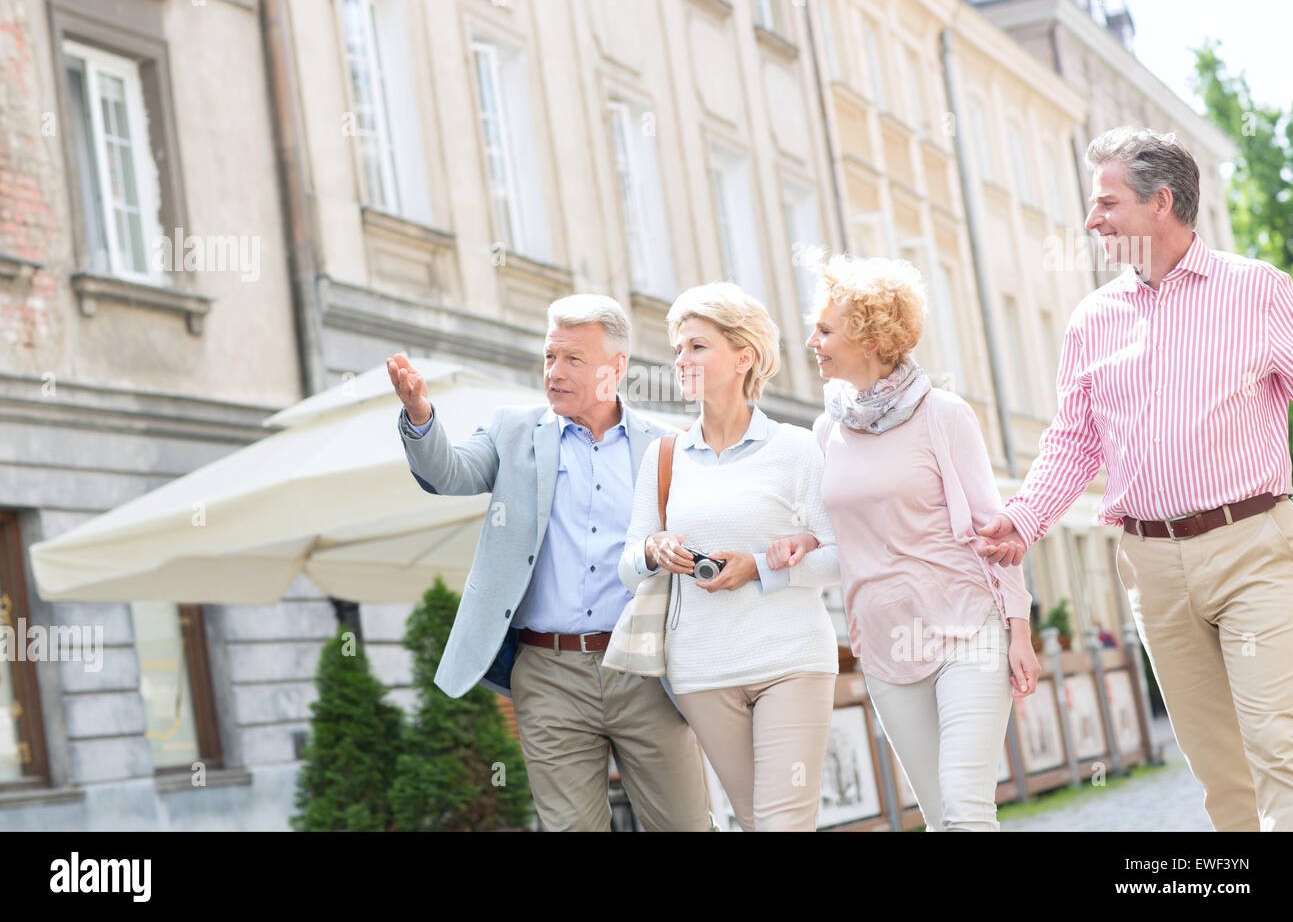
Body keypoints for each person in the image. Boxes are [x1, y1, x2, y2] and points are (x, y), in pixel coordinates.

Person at [977, 126, 1293, 831]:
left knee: (1280, 743)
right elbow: (1074, 438)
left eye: (1106, 203)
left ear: (1160, 203)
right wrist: (1024, 517)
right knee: (1218, 765)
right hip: (1150, 563)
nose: (1092, 220)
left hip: (1253, 546)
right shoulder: (1093, 319)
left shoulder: (1258, 290)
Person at [387, 294, 711, 832]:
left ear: (617, 368)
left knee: (686, 825)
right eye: (549, 357)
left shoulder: (669, 447)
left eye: (573, 360)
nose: (554, 373)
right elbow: (451, 474)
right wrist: (420, 417)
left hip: (645, 668)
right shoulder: (513, 432)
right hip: (548, 673)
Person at [785, 254, 1040, 831]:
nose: (811, 340)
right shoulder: (827, 431)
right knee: (935, 812)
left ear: (870, 338)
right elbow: (833, 544)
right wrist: (787, 551)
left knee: (965, 807)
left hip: (966, 628)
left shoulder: (942, 414)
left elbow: (992, 531)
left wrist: (1018, 630)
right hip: (881, 642)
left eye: (825, 330)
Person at [618, 282, 840, 831]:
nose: (681, 359)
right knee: (752, 820)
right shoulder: (664, 456)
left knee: (783, 823)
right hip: (703, 670)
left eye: (697, 346)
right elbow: (628, 564)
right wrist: (653, 548)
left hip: (791, 663)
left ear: (743, 357)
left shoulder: (794, 449)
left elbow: (841, 557)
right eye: (678, 348)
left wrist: (759, 568)